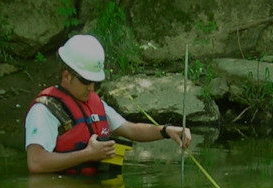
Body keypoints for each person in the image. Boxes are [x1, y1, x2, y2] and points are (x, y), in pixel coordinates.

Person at [25, 34, 191, 175]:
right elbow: (36, 163)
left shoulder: (94, 103)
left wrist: (166, 131)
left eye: (95, 82)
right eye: (86, 81)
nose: (91, 88)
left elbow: (131, 130)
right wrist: (88, 155)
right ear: (67, 76)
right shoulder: (44, 111)